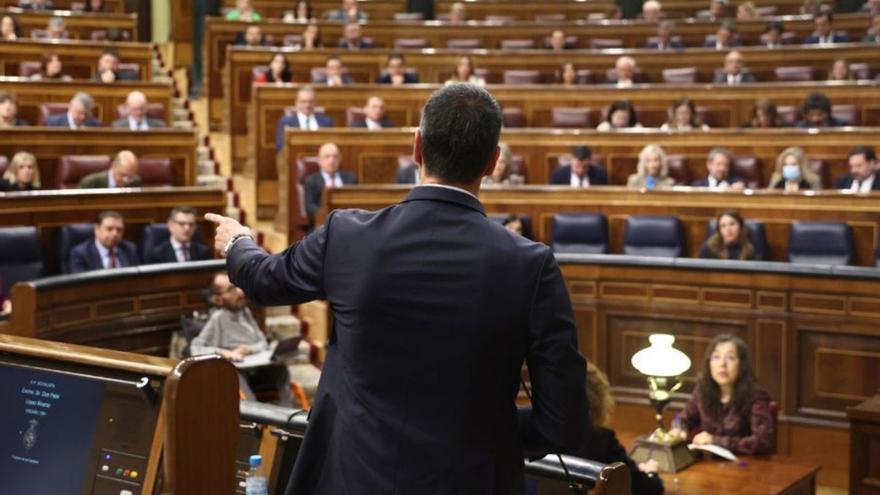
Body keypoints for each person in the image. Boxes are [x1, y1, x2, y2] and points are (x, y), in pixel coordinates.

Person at [206, 83, 588, 494]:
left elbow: (264, 280)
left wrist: (237, 241)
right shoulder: (532, 266)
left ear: (417, 148)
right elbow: (562, 420)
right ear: (493, 162)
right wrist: (483, 436)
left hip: (354, 477)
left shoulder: (347, 235)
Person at [190, 271, 294, 406]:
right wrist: (226, 353)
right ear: (218, 299)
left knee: (281, 369)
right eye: (231, 289)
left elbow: (262, 342)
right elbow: (196, 348)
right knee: (234, 375)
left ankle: (288, 416)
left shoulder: (245, 311)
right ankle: (257, 417)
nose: (240, 293)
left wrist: (248, 349)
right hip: (238, 369)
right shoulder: (218, 318)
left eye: (238, 286)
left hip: (257, 364)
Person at [567, 363, 663, 495]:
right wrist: (651, 472)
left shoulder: (539, 436)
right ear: (597, 401)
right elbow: (648, 489)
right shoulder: (601, 441)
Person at [672, 334, 775, 455]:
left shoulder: (756, 396)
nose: (722, 364)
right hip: (709, 466)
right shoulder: (702, 390)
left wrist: (716, 441)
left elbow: (763, 442)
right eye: (716, 357)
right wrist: (678, 428)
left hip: (746, 466)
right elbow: (681, 417)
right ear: (709, 363)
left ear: (742, 365)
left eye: (730, 358)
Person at [68, 210, 140, 273]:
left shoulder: (129, 249)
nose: (115, 234)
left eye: (119, 230)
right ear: (97, 229)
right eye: (109, 229)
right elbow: (80, 285)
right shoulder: (81, 253)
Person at [302, 143, 357, 223]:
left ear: (340, 159)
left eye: (335, 156)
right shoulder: (311, 181)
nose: (332, 160)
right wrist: (328, 216)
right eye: (327, 156)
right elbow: (309, 207)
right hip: (323, 224)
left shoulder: (350, 178)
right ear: (319, 160)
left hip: (349, 222)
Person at [144, 206, 212, 263]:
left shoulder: (204, 252)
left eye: (191, 224)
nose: (187, 228)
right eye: (181, 224)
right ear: (170, 225)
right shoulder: (156, 255)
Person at [275, 87, 334, 151]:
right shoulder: (286, 122)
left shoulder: (326, 122)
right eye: (303, 101)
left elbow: (331, 145)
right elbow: (280, 146)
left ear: (315, 103)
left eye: (310, 101)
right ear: (296, 102)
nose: (307, 105)